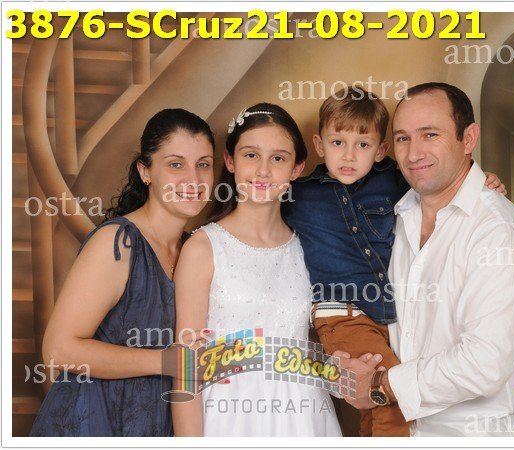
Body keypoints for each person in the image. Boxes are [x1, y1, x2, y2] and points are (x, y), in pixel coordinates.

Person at [283, 88, 506, 437]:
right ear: (319, 145)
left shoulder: (395, 180)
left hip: (388, 316)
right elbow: (257, 209)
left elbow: (446, 179)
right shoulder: (299, 195)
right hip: (342, 315)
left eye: (363, 145)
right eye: (337, 143)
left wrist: (485, 180)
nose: (348, 155)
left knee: (372, 404)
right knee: (392, 398)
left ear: (381, 150)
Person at [337, 82, 514, 437]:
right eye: (403, 138)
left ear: (469, 138)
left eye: (430, 134)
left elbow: (485, 362)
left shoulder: (498, 230)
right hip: (403, 433)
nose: (414, 153)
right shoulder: (393, 215)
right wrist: (349, 362)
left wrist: (382, 385)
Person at [30, 109, 215, 437]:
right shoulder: (118, 242)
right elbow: (58, 349)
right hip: (91, 423)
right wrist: (165, 362)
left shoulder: (196, 249)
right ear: (145, 172)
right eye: (176, 165)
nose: (193, 179)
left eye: (203, 164)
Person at [172, 103, 343, 437]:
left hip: (304, 415)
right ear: (230, 161)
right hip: (229, 417)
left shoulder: (308, 248)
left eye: (278, 158)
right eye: (251, 155)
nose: (263, 171)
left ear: (297, 168)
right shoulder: (203, 248)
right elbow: (186, 366)